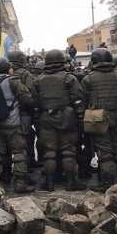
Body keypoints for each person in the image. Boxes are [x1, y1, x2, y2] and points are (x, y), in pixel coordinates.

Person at [82, 48, 117, 188]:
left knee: (105, 153)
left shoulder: (88, 79)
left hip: (98, 118)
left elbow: (84, 100)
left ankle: (109, 184)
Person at [34, 50, 84, 191]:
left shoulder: (38, 80)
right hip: (66, 118)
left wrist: (37, 120)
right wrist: (80, 118)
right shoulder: (69, 78)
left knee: (49, 152)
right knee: (68, 151)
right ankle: (71, 183)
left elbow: (35, 102)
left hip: (46, 118)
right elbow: (78, 99)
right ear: (62, 61)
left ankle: (49, 184)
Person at [0, 57, 34, 193]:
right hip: (12, 122)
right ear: (7, 68)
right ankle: (20, 184)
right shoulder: (13, 80)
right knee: (18, 153)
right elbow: (27, 99)